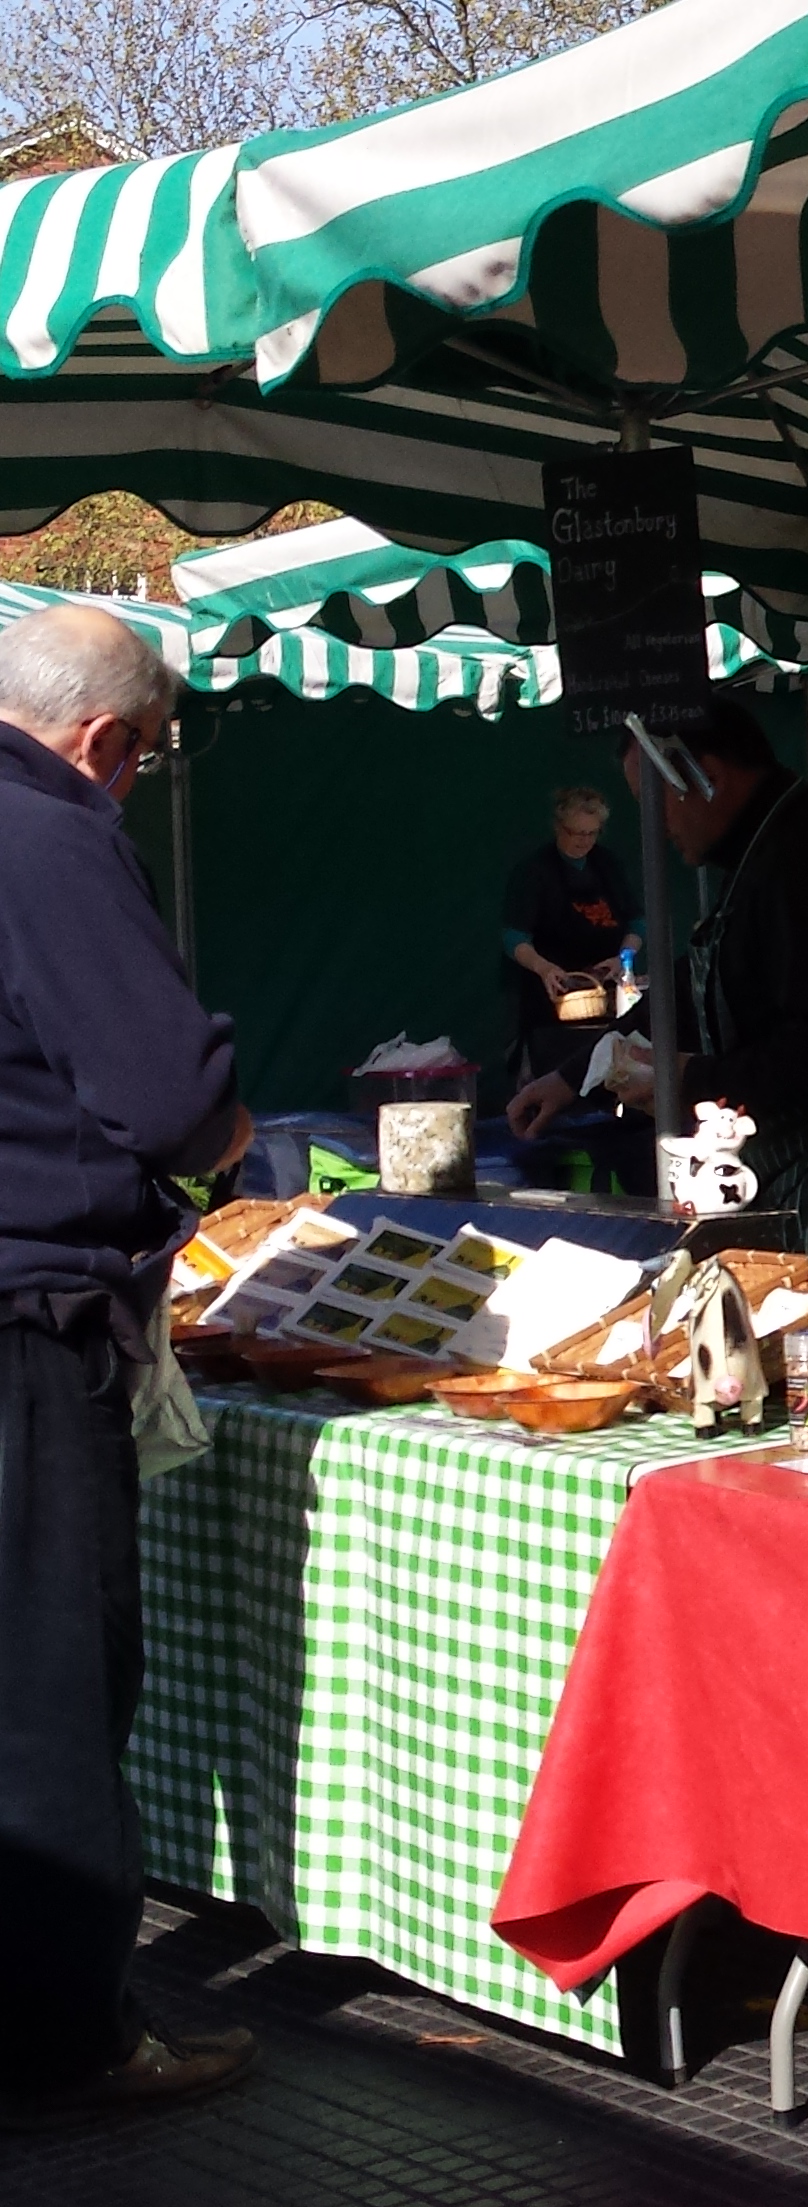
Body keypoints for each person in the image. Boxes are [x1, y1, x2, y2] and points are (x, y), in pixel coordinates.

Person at [0, 604, 257, 2122]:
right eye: (146, 755)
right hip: (27, 1320)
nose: (139, 780)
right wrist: (226, 1132)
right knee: (46, 1686)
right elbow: (168, 1101)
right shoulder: (50, 837)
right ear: (103, 738)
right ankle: (64, 2037)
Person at [506, 700, 808, 1302]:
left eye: (655, 802)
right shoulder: (767, 848)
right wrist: (576, 1074)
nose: (654, 826)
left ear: (708, 776)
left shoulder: (805, 862)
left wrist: (692, 1079)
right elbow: (694, 984)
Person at [500, 785, 639, 1084]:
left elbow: (637, 924)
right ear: (557, 826)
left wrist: (623, 959)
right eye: (575, 832)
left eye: (591, 833)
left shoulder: (609, 866)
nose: (583, 841)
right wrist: (544, 968)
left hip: (604, 997)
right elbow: (513, 937)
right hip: (547, 1001)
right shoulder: (534, 872)